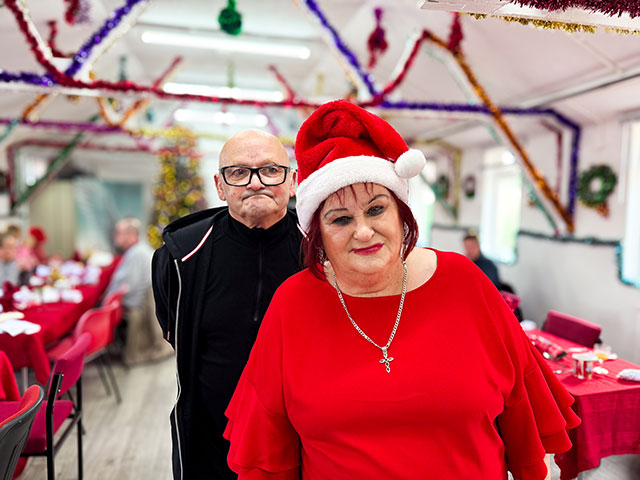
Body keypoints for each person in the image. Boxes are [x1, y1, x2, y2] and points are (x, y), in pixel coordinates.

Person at [224, 101, 580, 479]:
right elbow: (270, 452)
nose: (363, 231)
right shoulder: (293, 303)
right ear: (318, 236)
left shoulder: (465, 282)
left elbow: (521, 418)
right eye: (341, 219)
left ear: (401, 213)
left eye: (376, 210)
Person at [152, 129, 304, 480]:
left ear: (292, 181)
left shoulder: (321, 251)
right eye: (238, 173)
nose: (255, 183)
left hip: (296, 430)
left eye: (270, 170)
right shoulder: (181, 255)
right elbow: (174, 330)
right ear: (220, 187)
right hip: (209, 429)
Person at [105, 217, 169, 365]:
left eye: (118, 232)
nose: (115, 236)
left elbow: (124, 289)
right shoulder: (138, 250)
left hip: (141, 307)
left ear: (130, 234)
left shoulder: (137, 254)